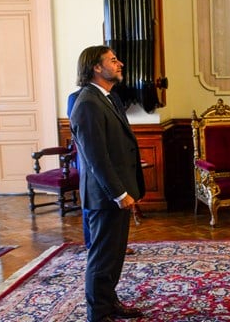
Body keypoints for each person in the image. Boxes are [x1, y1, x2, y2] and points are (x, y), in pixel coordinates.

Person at [69, 45, 145, 322]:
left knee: (113, 257)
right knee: (102, 258)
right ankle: (98, 315)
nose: (120, 63)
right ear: (96, 68)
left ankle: (110, 304)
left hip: (116, 194)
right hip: (106, 196)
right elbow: (96, 157)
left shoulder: (107, 98)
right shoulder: (88, 103)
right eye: (113, 61)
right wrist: (119, 192)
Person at [68, 89, 135, 255]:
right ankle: (92, 244)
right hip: (90, 162)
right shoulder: (78, 99)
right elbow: (80, 135)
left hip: (111, 161)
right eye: (112, 61)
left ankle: (116, 244)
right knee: (93, 204)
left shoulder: (113, 97)